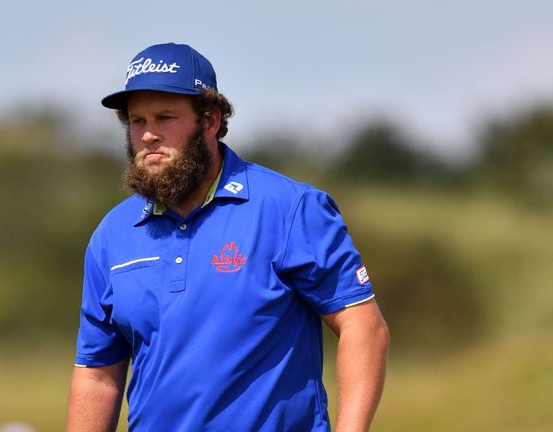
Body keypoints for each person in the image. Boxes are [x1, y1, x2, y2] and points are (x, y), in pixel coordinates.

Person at [65, 42, 389, 432]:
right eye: (137, 121)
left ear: (211, 120)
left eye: (165, 118)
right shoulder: (111, 235)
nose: (148, 135)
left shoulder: (290, 208)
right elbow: (97, 375)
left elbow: (363, 326)